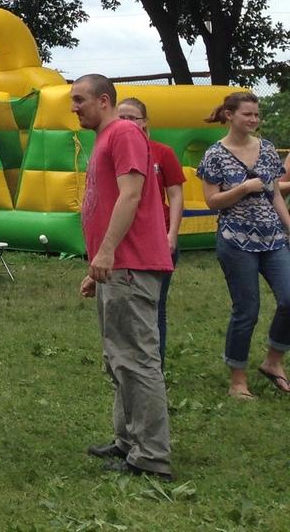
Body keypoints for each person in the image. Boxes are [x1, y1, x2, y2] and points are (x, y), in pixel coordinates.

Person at [72, 73, 173, 480]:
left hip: (131, 265)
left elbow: (131, 195)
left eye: (80, 99)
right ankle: (128, 440)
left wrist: (110, 251)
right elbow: (107, 202)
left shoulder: (124, 132)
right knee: (119, 359)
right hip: (115, 268)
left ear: (103, 100)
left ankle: (151, 456)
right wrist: (97, 268)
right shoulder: (104, 138)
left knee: (136, 361)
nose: (74, 107)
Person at [195, 90, 290, 399]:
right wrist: (243, 188)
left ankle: (273, 361)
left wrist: (289, 226)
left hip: (273, 239)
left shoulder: (267, 150)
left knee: (289, 299)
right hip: (235, 240)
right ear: (230, 115)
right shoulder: (214, 155)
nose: (254, 119)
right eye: (247, 114)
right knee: (247, 310)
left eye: (256, 115)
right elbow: (212, 201)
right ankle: (238, 380)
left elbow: (275, 194)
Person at [117, 97, 185, 363]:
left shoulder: (162, 153)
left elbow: (176, 196)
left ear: (144, 122)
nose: (125, 123)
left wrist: (172, 235)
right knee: (124, 303)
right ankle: (128, 359)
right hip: (124, 239)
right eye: (120, 117)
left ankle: (155, 362)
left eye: (132, 117)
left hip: (158, 239)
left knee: (155, 303)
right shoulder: (112, 151)